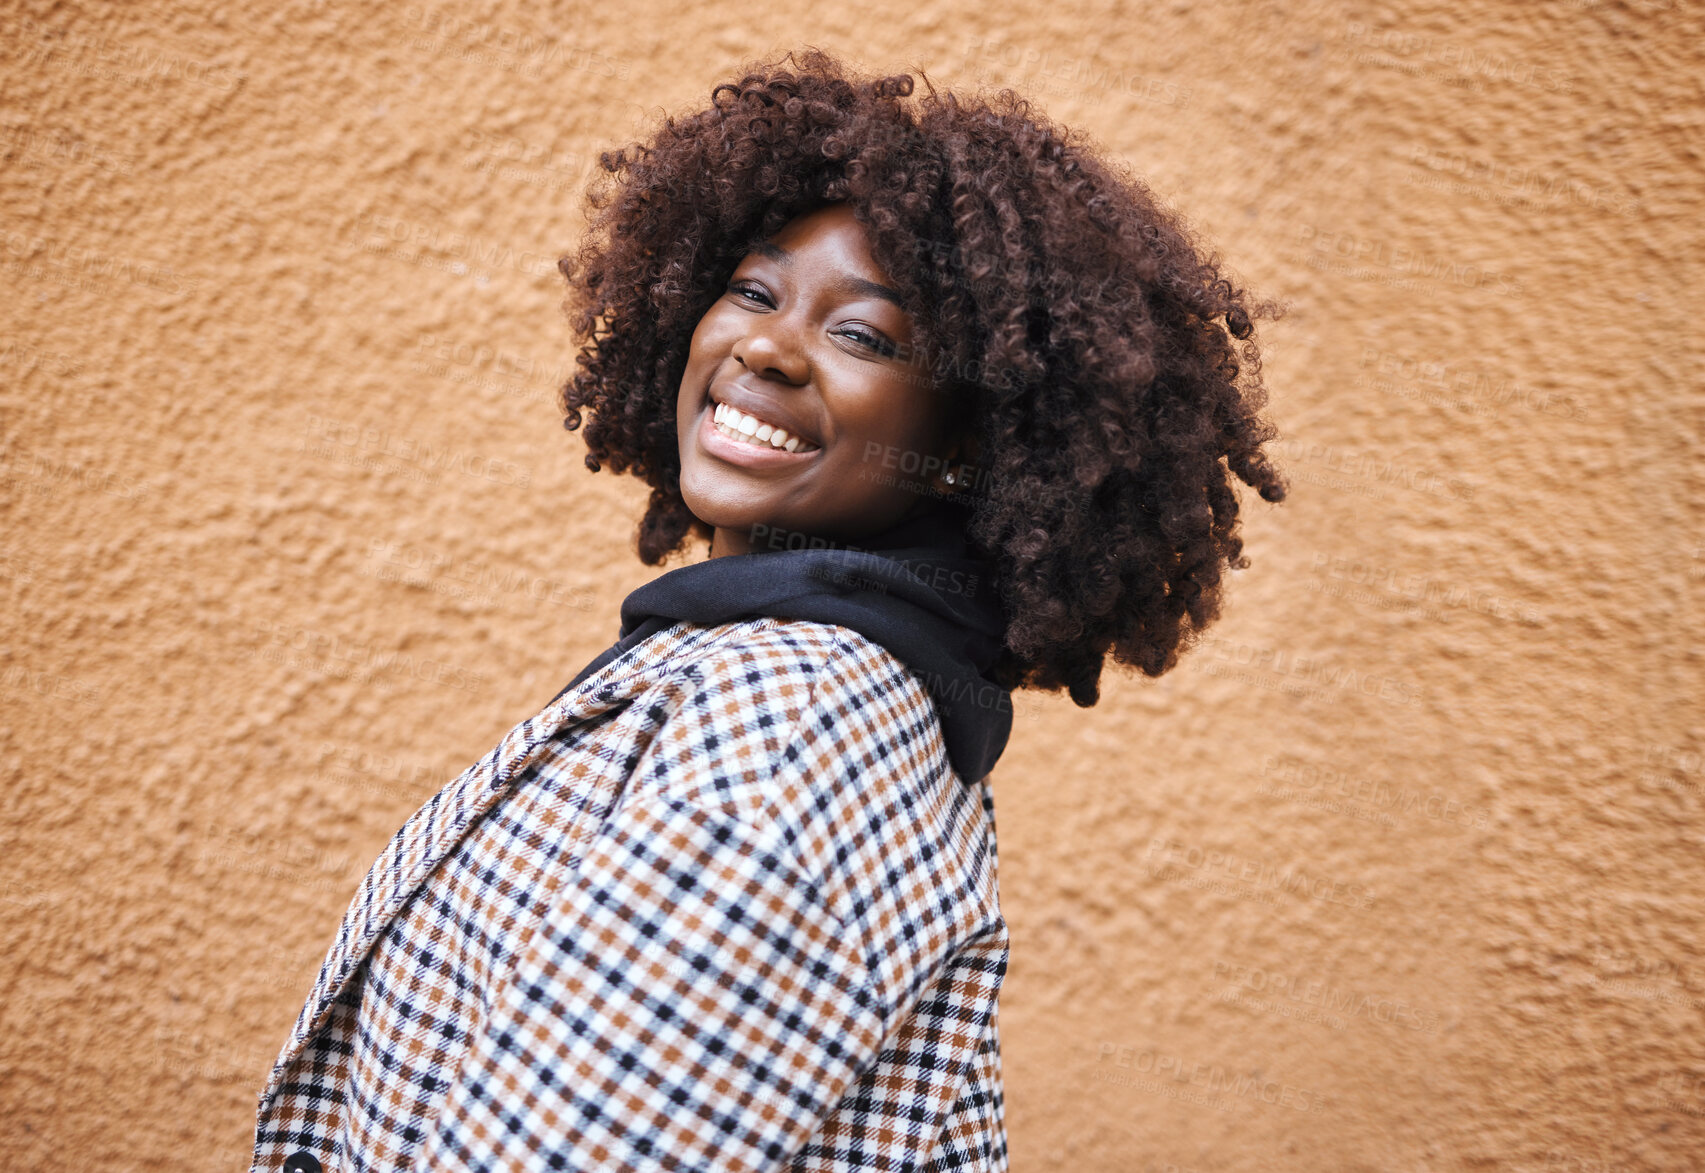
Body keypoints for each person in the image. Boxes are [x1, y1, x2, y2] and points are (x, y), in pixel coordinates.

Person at [250, 47, 1287, 1173]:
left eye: (861, 336)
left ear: (966, 448)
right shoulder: (786, 674)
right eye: (751, 290)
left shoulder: (791, 716)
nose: (761, 346)